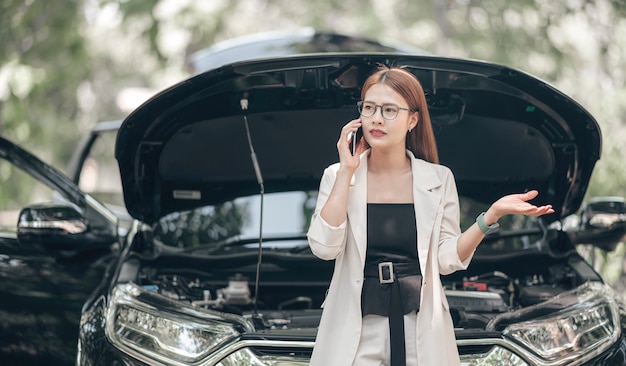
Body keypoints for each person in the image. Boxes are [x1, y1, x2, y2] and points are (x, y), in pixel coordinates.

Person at [306, 65, 554, 366]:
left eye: (389, 110)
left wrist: (490, 216)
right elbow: (324, 247)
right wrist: (347, 170)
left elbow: (445, 259)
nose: (377, 118)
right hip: (356, 328)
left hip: (421, 326)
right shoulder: (337, 176)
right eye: (369, 108)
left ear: (413, 119)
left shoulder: (438, 178)